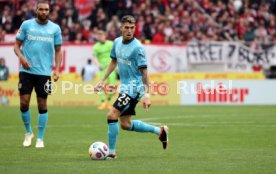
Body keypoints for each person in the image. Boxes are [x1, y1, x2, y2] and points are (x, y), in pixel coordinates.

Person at [94, 15, 169, 159]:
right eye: (127, 27)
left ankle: (111, 153)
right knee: (125, 124)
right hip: (124, 88)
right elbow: (113, 62)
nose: (129, 30)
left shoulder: (138, 48)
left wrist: (147, 94)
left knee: (111, 114)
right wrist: (102, 80)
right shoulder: (116, 42)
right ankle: (159, 131)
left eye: (132, 28)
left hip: (135, 88)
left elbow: (144, 73)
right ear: (121, 28)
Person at [13, 1, 62, 148]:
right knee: (24, 102)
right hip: (26, 71)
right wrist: (22, 58)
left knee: (42, 104)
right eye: (41, 9)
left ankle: (40, 138)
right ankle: (29, 133)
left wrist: (57, 69)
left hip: (44, 73)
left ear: (49, 11)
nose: (43, 12)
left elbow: (58, 50)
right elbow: (16, 46)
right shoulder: (26, 25)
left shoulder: (55, 28)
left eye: (46, 10)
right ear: (36, 10)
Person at [93, 30, 117, 110]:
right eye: (99, 36)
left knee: (112, 86)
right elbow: (94, 57)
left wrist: (118, 65)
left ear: (105, 36)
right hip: (102, 69)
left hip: (111, 69)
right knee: (100, 86)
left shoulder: (110, 44)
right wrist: (97, 64)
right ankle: (103, 102)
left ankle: (108, 102)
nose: (100, 37)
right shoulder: (96, 46)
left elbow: (116, 53)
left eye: (101, 35)